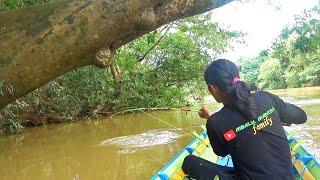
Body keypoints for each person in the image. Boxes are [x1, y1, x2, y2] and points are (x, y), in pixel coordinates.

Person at [182, 59, 307, 180]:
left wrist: (211, 118)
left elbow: (221, 152)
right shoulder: (265, 97)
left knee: (189, 162)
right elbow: (302, 117)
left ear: (212, 88)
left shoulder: (215, 122)